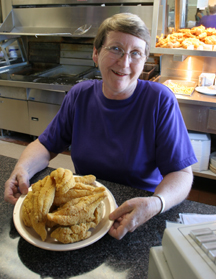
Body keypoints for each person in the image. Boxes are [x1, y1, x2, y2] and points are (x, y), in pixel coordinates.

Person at [4, 13, 197, 240]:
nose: (124, 62)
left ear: (145, 60)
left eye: (135, 53)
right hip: (85, 211)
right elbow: (45, 145)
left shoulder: (159, 100)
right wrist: (22, 171)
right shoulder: (79, 95)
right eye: (115, 48)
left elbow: (181, 173)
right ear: (96, 53)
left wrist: (156, 203)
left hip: (138, 213)